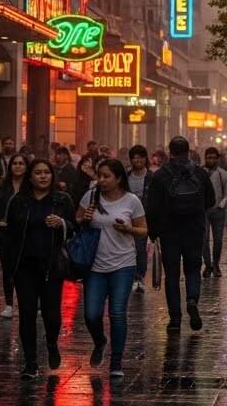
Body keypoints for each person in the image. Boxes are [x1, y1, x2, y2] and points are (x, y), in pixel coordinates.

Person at [1, 159, 72, 379]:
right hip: (25, 267)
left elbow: (75, 226)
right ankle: (30, 363)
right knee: (27, 314)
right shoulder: (19, 201)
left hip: (52, 266)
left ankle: (51, 343)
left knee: (52, 315)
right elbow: (11, 233)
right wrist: (10, 265)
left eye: (47, 173)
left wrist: (62, 223)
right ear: (30, 177)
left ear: (52, 176)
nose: (42, 176)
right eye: (38, 173)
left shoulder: (62, 200)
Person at [79, 159, 147, 377]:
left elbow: (143, 230)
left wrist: (128, 228)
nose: (102, 180)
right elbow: (77, 218)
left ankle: (116, 363)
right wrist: (84, 218)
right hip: (95, 265)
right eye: (99, 175)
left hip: (123, 265)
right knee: (91, 314)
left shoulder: (132, 201)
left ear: (118, 178)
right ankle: (100, 341)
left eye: (107, 176)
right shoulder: (90, 196)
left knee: (117, 313)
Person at [145, 136, 215, 332]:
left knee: (172, 275)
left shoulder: (160, 176)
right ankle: (192, 299)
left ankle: (175, 319)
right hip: (194, 230)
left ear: (170, 151)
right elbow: (211, 200)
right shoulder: (200, 173)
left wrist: (153, 231)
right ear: (188, 151)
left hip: (169, 233)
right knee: (193, 270)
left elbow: (152, 207)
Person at [0, 152, 30, 319]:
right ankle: (9, 304)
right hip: (4, 233)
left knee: (24, 269)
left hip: (25, 234)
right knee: (7, 269)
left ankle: (27, 302)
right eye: (15, 163)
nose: (18, 166)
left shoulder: (30, 187)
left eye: (21, 163)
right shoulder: (1, 186)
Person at [201, 147, 227, 278]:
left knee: (218, 240)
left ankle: (216, 264)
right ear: (205, 158)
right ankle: (208, 265)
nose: (211, 160)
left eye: (214, 158)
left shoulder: (222, 174)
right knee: (204, 239)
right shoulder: (200, 172)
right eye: (209, 157)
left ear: (217, 159)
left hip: (218, 211)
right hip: (203, 211)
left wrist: (222, 205)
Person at [127, 145, 151, 294]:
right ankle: (130, 276)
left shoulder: (151, 177)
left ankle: (139, 277)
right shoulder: (125, 176)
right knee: (129, 248)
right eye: (134, 157)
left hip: (144, 219)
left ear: (145, 159)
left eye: (140, 157)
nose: (137, 160)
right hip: (127, 218)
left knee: (140, 248)